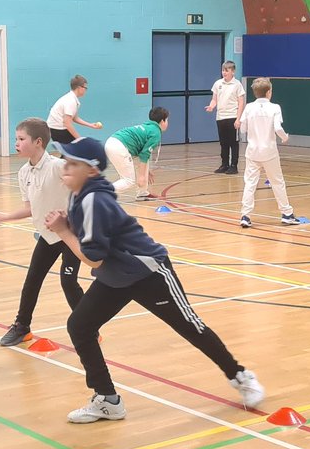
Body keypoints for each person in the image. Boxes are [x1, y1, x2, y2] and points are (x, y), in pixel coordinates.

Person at [43, 136, 265, 422]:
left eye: (74, 163)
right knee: (80, 325)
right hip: (117, 275)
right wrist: (68, 224)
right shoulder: (80, 196)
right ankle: (108, 400)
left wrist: (63, 231)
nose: (65, 167)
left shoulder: (95, 200)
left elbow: (93, 258)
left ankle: (241, 376)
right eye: (65, 161)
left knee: (190, 327)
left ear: (92, 170)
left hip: (148, 272)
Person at [0, 117, 84, 347]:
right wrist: (3, 217)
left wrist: (73, 215)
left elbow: (82, 188)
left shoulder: (57, 167)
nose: (16, 143)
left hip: (70, 234)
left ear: (38, 142)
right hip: (48, 236)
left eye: (21, 139)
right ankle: (22, 327)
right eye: (16, 139)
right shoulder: (23, 173)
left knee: (68, 282)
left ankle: (88, 326)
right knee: (32, 281)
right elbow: (30, 209)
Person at [238, 78, 300, 228]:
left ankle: (245, 216)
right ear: (268, 92)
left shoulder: (249, 107)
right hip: (269, 152)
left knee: (250, 183)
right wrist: (285, 137)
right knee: (277, 182)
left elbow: (243, 129)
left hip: (252, 152)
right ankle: (287, 214)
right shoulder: (275, 108)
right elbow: (278, 128)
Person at [105, 107, 168, 201]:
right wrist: (142, 176)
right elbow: (144, 154)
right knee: (129, 181)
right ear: (162, 121)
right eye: (167, 120)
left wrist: (146, 171)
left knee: (144, 164)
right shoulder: (156, 133)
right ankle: (102, 191)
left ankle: (142, 193)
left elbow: (143, 154)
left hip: (112, 141)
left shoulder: (148, 126)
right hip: (119, 146)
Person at [205, 60, 244, 174]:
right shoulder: (218, 84)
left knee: (233, 143)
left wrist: (238, 119)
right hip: (220, 117)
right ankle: (224, 164)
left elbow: (241, 102)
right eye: (223, 70)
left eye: (227, 70)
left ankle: (234, 165)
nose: (224, 72)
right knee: (223, 142)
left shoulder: (237, 85)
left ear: (233, 71)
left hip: (232, 116)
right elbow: (214, 99)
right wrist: (211, 106)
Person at [46, 75, 102, 145]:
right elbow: (67, 123)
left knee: (72, 147)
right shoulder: (71, 101)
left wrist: (90, 125)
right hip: (57, 130)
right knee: (76, 147)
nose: (86, 90)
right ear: (79, 87)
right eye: (85, 88)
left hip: (55, 129)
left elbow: (75, 118)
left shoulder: (72, 98)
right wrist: (79, 139)